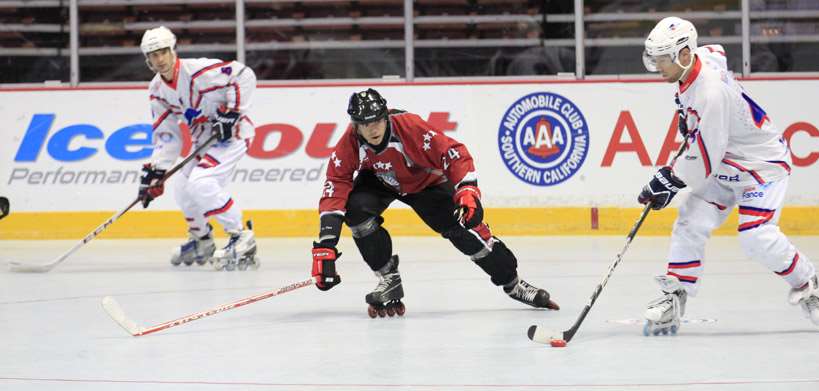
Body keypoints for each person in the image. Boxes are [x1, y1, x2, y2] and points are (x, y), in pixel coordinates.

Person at [639, 17, 819, 335]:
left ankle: (811, 286)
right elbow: (715, 50)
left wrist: (667, 181)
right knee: (690, 222)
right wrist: (687, 117)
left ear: (684, 55)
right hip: (728, 165)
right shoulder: (700, 61)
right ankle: (675, 296)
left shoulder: (711, 94)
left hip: (760, 167)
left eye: (662, 59)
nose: (658, 66)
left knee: (757, 237)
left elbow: (703, 161)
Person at [310, 88, 559, 318]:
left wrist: (467, 192)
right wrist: (326, 244)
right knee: (356, 211)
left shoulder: (409, 127)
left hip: (426, 183)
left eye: (376, 121)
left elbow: (453, 153)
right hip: (381, 181)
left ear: (386, 117)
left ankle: (513, 284)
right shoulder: (350, 141)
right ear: (355, 126)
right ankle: (388, 279)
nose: (372, 129)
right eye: (364, 124)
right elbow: (336, 182)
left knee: (464, 231)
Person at [137, 26, 258, 271]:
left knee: (201, 182)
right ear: (147, 59)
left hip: (232, 136)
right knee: (182, 187)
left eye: (162, 52)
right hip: (203, 139)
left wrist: (232, 113)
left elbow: (243, 75)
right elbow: (167, 135)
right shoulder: (157, 90)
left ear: (172, 50)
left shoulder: (198, 71)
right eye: (153, 55)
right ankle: (202, 239)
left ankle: (241, 237)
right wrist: (156, 170)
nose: (159, 59)